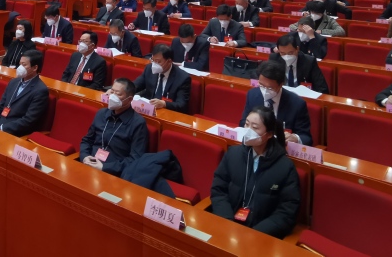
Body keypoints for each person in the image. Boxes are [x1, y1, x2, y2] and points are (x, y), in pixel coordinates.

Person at [209, 105, 300, 238]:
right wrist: (227, 222)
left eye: (255, 127)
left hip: (260, 235)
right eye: (247, 124)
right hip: (228, 226)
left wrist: (255, 233)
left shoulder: (285, 167)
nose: (248, 131)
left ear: (269, 134)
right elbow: (218, 190)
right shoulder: (233, 154)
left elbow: (287, 211)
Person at [79, 78, 149, 175]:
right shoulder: (101, 113)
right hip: (89, 164)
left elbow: (135, 159)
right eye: (112, 92)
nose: (112, 97)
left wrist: (104, 167)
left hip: (114, 172)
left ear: (129, 99)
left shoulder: (137, 123)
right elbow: (87, 140)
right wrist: (85, 156)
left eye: (118, 94)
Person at [240, 61, 312, 145]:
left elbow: (306, 138)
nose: (265, 91)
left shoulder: (297, 104)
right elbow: (243, 122)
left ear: (281, 85)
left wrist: (296, 138)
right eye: (261, 85)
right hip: (257, 144)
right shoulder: (252, 95)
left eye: (270, 88)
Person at [0, 49, 50, 137]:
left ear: (35, 68)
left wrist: (2, 128)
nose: (20, 67)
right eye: (20, 64)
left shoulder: (40, 90)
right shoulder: (13, 82)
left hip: (15, 133)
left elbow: (28, 120)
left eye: (24, 65)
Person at [133, 44, 192, 113]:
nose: (154, 64)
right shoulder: (149, 69)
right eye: (153, 60)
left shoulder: (182, 78)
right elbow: (136, 85)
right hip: (148, 110)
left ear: (169, 61)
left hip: (168, 113)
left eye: (158, 61)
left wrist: (164, 104)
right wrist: (125, 90)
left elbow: (182, 105)